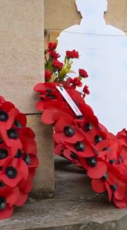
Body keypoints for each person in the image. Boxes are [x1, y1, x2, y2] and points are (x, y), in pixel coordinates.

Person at [56, 0, 127, 134]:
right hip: (79, 109)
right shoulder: (68, 35)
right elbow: (58, 75)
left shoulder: (118, 36)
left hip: (113, 108)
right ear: (78, 7)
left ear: (105, 6)